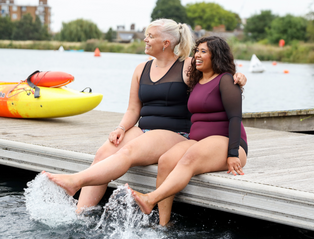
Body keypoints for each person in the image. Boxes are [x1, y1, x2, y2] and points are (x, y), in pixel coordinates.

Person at [43, 19, 247, 213]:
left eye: (150, 36)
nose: (145, 40)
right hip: (143, 129)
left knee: (128, 152)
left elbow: (217, 70)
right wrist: (121, 129)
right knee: (103, 152)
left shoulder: (188, 65)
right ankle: (81, 211)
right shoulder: (141, 69)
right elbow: (133, 109)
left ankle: (75, 181)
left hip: (175, 133)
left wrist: (238, 76)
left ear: (166, 43)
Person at [128, 36, 248, 226]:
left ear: (216, 55)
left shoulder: (226, 80)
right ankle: (163, 224)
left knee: (188, 159)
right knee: (166, 160)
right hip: (198, 142)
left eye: (203, 51)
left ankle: (150, 199)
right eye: (196, 51)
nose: (197, 56)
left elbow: (235, 118)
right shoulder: (196, 80)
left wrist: (233, 153)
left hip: (228, 143)